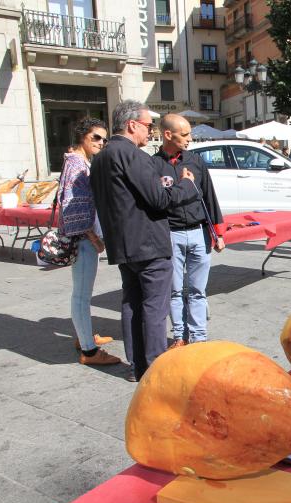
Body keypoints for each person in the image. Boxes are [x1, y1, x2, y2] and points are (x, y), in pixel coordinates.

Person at [91, 100, 198, 381]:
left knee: (132, 303)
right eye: (148, 126)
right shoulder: (132, 155)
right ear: (132, 125)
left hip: (123, 244)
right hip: (148, 243)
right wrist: (185, 183)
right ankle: (154, 369)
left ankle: (137, 366)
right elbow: (159, 199)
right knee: (153, 308)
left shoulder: (101, 156)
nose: (150, 132)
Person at [152, 114, 225, 348]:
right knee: (174, 291)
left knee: (197, 290)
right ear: (167, 135)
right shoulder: (153, 165)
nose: (189, 139)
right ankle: (179, 337)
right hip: (171, 234)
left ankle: (199, 337)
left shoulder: (195, 161)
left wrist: (218, 232)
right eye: (184, 135)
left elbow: (210, 196)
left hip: (199, 233)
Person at [58, 117, 119, 366]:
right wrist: (94, 238)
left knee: (82, 293)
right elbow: (72, 207)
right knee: (82, 295)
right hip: (83, 240)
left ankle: (84, 336)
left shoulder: (79, 161)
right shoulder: (76, 164)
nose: (101, 142)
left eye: (104, 139)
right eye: (96, 137)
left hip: (83, 238)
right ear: (83, 136)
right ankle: (89, 351)